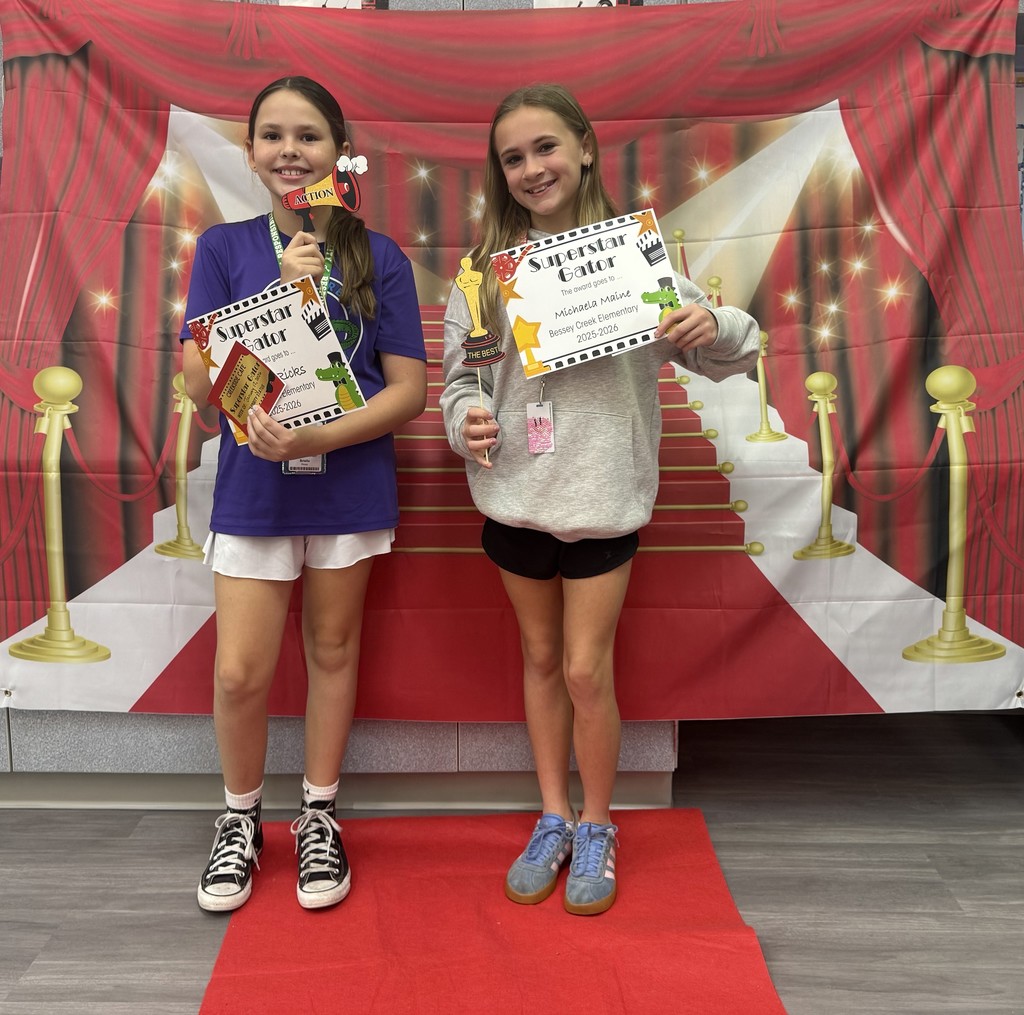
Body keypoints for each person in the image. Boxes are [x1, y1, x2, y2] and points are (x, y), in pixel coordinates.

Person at [440, 84, 759, 916]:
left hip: (606, 495)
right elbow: (462, 378)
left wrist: (710, 326)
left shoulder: (637, 259)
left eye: (546, 147)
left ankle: (597, 821)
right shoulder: (483, 277)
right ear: (498, 173)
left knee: (586, 669)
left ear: (584, 146)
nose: (532, 168)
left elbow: (733, 349)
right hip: (514, 495)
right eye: (513, 158)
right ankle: (551, 815)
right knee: (541, 661)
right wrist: (465, 416)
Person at [181, 76, 427, 912]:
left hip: (350, 480)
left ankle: (319, 810)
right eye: (274, 136)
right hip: (255, 485)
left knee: (333, 650)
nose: (292, 151)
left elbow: (407, 391)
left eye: (310, 136)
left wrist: (320, 437)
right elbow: (195, 377)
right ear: (250, 154)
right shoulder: (222, 248)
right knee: (242, 671)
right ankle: (241, 818)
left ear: (339, 150)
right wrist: (282, 298)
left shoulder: (377, 255)